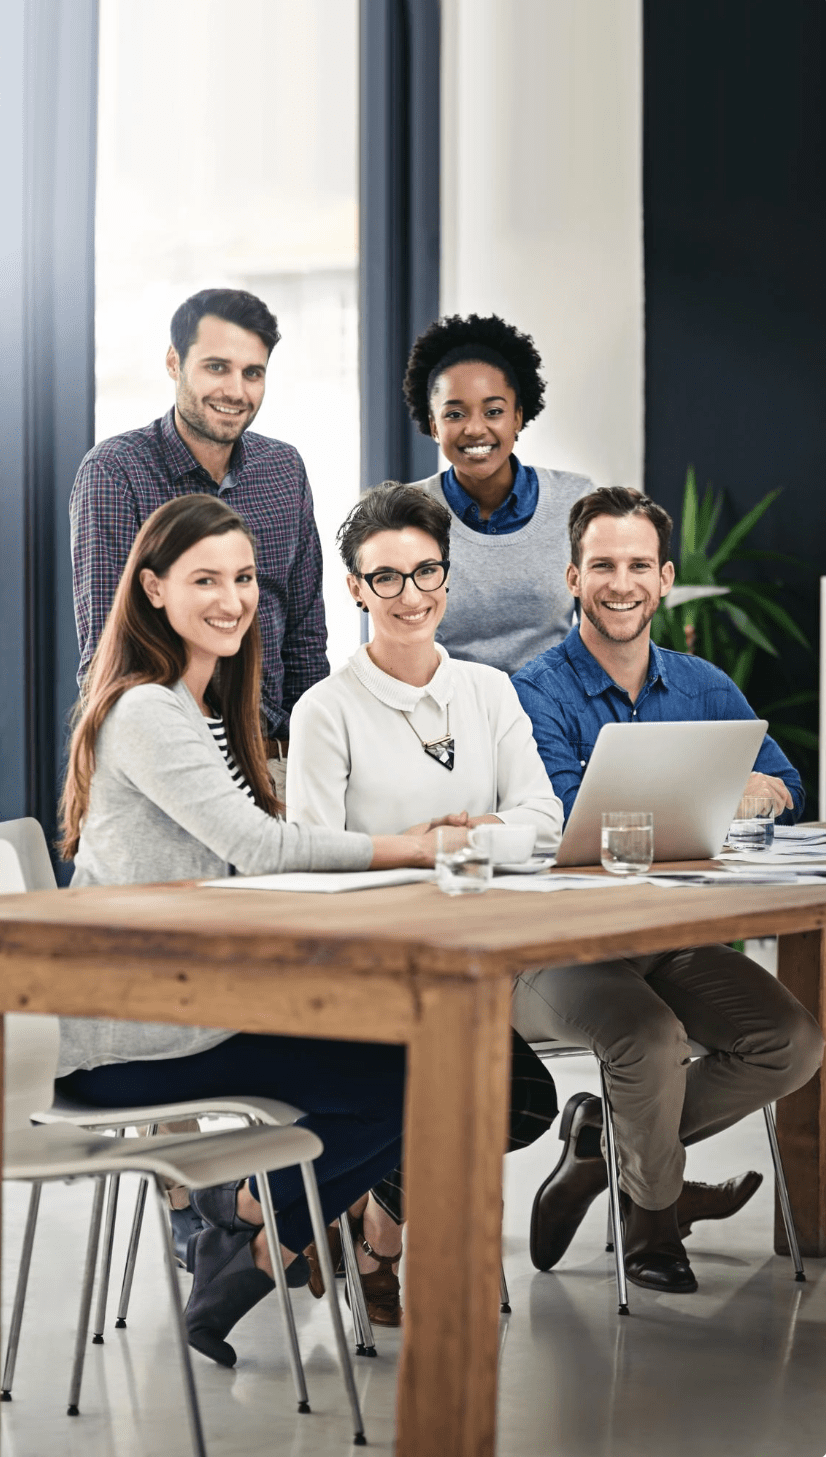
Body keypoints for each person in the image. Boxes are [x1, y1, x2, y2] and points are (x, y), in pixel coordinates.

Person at [57, 492, 435, 1367]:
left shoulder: (198, 709)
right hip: (132, 1038)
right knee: (410, 1069)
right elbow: (254, 845)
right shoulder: (149, 710)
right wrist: (407, 848)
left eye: (244, 578)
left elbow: (241, 860)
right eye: (204, 581)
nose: (232, 599)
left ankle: (255, 1231)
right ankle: (255, 1230)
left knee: (401, 1060)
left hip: (191, 1008)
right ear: (151, 590)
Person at [509, 486, 824, 1292]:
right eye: (603, 565)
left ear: (665, 578)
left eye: (638, 565)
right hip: (556, 951)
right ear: (572, 578)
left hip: (668, 941)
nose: (622, 583)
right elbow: (566, 813)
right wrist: (716, 797)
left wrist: (755, 792)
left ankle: (603, 1145)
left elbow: (785, 784)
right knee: (645, 1041)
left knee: (791, 1043)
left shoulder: (702, 685)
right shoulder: (530, 692)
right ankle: (651, 1219)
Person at [286, 481, 565, 1322]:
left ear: (448, 576)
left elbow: (543, 821)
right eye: (387, 578)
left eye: (426, 572)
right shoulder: (325, 711)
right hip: (365, 970)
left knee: (524, 1104)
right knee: (431, 1092)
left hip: (471, 965)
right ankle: (377, 1244)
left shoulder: (489, 692)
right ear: (355, 590)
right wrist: (442, 840)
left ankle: (371, 1219)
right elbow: (311, 858)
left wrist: (459, 840)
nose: (411, 596)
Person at [70, 287, 327, 796]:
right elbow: (108, 649)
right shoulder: (117, 471)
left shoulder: (284, 470)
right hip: (169, 761)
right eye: (216, 367)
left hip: (274, 763)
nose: (236, 389)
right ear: (174, 362)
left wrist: (308, 761)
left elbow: (304, 639)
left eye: (253, 373)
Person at [403, 312, 591, 675]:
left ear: (518, 417)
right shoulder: (406, 511)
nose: (475, 429)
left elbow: (597, 633)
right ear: (433, 425)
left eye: (493, 411)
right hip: (446, 714)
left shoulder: (576, 500)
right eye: (454, 414)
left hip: (551, 712)